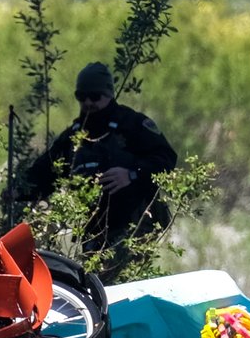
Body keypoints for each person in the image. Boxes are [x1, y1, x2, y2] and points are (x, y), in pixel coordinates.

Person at [22, 62, 178, 272]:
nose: (88, 102)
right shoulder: (74, 135)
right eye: (82, 96)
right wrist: (19, 190)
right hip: (94, 233)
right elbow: (45, 172)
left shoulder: (131, 124)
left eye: (95, 97)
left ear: (108, 95)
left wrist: (132, 173)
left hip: (134, 227)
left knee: (119, 283)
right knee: (95, 285)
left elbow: (166, 158)